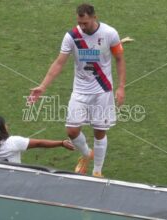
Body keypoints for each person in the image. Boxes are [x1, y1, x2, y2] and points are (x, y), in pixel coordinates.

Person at [28, 3, 126, 177]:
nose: (81, 26)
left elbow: (119, 59)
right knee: (72, 130)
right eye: (79, 23)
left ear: (94, 18)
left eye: (85, 23)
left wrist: (120, 87)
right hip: (80, 91)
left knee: (99, 132)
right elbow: (59, 62)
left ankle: (97, 171)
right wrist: (42, 86)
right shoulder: (72, 36)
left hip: (102, 91)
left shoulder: (110, 33)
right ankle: (87, 154)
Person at [0, 115, 75, 163]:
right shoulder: (13, 142)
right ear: (0, 128)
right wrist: (61, 143)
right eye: (5, 124)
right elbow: (39, 143)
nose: (7, 126)